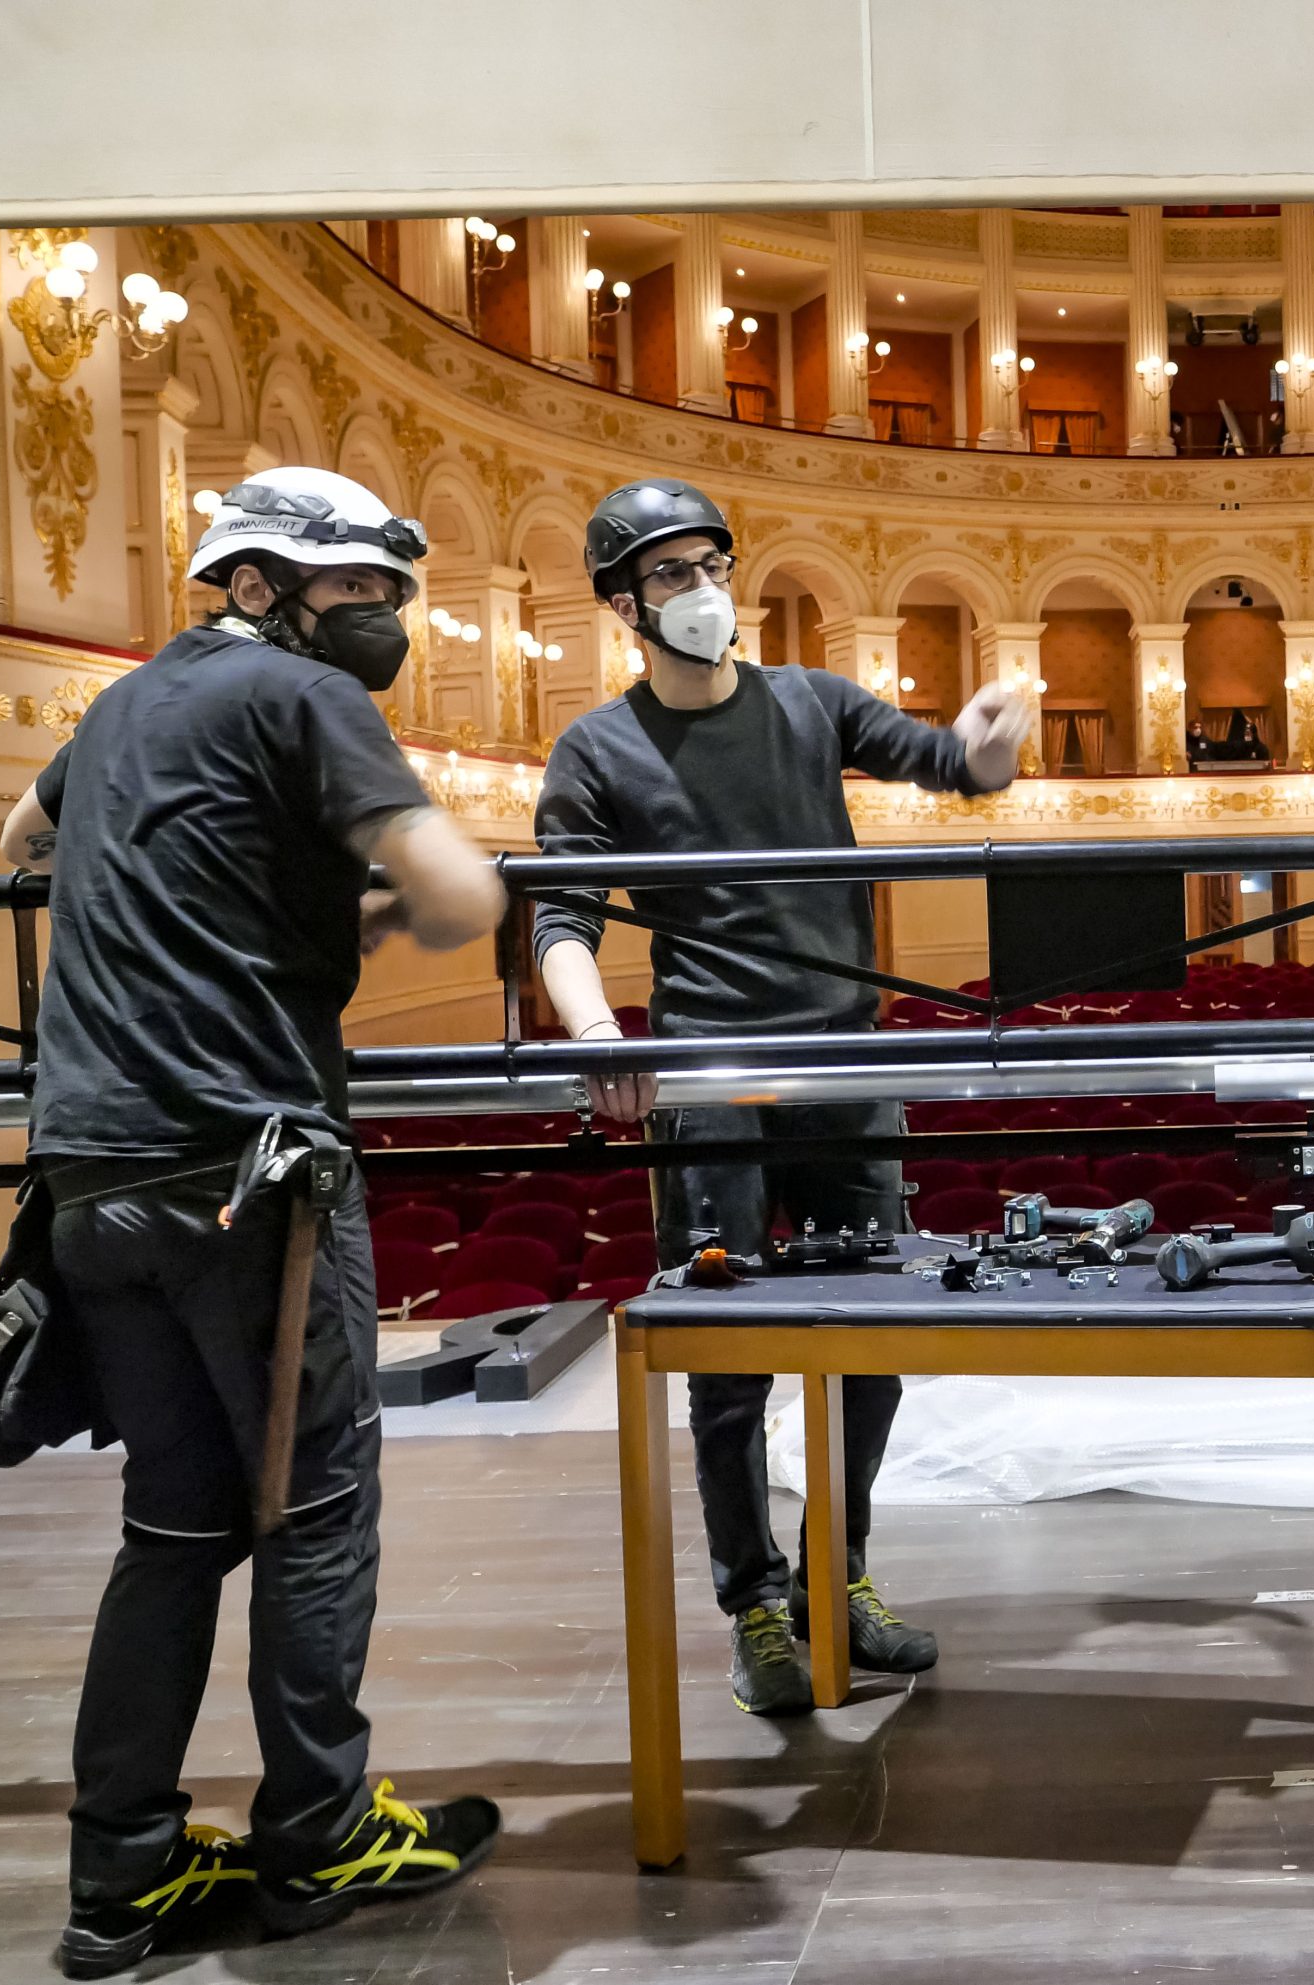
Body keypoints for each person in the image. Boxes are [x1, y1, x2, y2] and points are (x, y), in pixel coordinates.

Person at [0, 468, 508, 1977]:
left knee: (171, 1522)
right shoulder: (305, 698)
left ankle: (123, 1873)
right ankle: (320, 1834)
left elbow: (24, 837)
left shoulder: (119, 707)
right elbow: (464, 891)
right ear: (258, 585)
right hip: (248, 1168)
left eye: (391, 597)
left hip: (88, 1170)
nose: (383, 620)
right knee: (318, 1504)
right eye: (357, 591)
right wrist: (394, 908)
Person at [532, 478, 1027, 1716]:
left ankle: (834, 1579)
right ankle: (753, 1602)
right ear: (622, 605)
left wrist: (986, 741)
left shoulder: (811, 701)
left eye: (712, 563)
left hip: (848, 1065)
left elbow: (950, 764)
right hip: (712, 1077)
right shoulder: (597, 747)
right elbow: (560, 916)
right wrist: (595, 1030)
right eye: (670, 572)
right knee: (729, 1357)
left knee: (874, 1340)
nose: (703, 588)